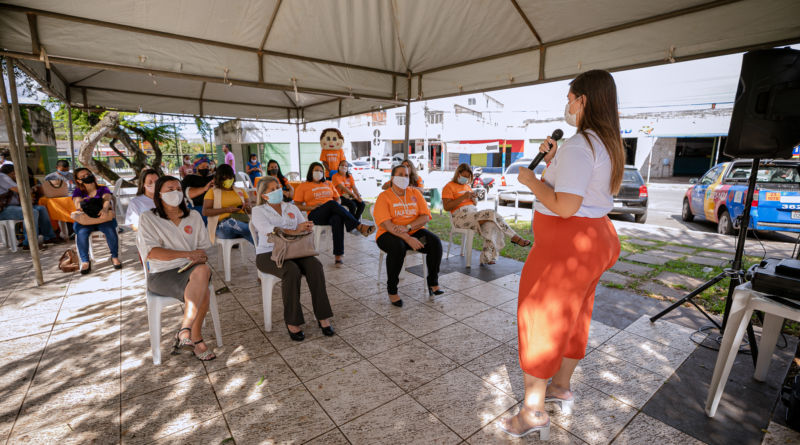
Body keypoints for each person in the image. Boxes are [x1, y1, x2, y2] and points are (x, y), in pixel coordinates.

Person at [499, 70, 623, 439]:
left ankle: (533, 411)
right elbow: (578, 190)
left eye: (570, 97)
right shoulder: (604, 142)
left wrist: (531, 180)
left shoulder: (581, 144)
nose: (567, 105)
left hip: (566, 247)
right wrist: (553, 161)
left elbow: (566, 205)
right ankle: (560, 386)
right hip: (592, 241)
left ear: (583, 99)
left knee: (540, 318)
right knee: (573, 316)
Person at [137, 176, 216, 361]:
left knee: (203, 270)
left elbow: (202, 248)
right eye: (170, 189)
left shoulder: (194, 216)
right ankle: (194, 337)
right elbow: (152, 253)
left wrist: (199, 256)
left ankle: (185, 331)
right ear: (159, 194)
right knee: (203, 288)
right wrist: (186, 254)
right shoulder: (148, 218)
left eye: (179, 189)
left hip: (192, 269)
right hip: (162, 274)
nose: (176, 193)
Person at [252, 176, 334, 341]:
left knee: (315, 266)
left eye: (278, 187)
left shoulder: (290, 207)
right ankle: (293, 321)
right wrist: (295, 230)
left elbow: (303, 226)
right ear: (264, 195)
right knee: (291, 271)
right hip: (269, 253)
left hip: (296, 249)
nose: (278, 190)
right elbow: (271, 231)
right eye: (272, 189)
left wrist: (306, 227)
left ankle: (323, 316)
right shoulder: (258, 211)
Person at [373, 164, 443, 307]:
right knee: (398, 248)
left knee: (435, 242)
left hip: (412, 231)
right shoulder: (384, 196)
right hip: (387, 235)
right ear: (392, 178)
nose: (404, 178)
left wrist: (408, 228)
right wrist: (407, 238)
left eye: (406, 175)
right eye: (400, 174)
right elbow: (386, 224)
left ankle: (433, 283)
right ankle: (392, 290)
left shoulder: (415, 193)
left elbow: (425, 217)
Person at [443, 163, 531, 265]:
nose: (466, 179)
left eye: (468, 177)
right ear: (458, 174)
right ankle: (514, 237)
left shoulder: (467, 186)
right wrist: (463, 197)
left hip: (473, 213)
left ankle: (486, 257)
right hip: (460, 217)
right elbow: (447, 207)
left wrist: (473, 198)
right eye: (464, 176)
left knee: (491, 225)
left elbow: (474, 204)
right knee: (491, 213)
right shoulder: (449, 187)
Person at [293, 162, 374, 266]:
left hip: (330, 211)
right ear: (310, 172)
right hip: (316, 213)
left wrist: (336, 206)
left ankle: (338, 256)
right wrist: (311, 207)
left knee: (337, 218)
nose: (319, 173)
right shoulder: (303, 186)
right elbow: (297, 205)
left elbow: (338, 199)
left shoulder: (328, 183)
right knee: (331, 203)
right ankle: (357, 226)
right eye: (316, 170)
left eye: (321, 171)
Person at [72, 167, 122, 273]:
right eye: (83, 176)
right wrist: (97, 202)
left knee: (110, 230)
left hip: (103, 218)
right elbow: (78, 204)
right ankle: (85, 261)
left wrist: (103, 208)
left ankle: (114, 256)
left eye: (88, 174)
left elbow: (107, 198)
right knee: (82, 233)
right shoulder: (78, 191)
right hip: (86, 221)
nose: (87, 177)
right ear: (78, 180)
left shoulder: (103, 188)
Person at [0, 164, 61, 249]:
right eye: (15, 173)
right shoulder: (2, 176)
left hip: (13, 207)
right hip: (4, 209)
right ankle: (29, 243)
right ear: (12, 173)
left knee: (41, 208)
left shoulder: (8, 179)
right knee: (31, 212)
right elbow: (19, 189)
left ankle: (49, 237)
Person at [202, 163, 253, 245]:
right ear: (219, 179)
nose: (228, 180)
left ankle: (263, 251)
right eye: (225, 178)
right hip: (222, 226)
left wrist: (247, 206)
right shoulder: (212, 192)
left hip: (242, 221)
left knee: (251, 227)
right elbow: (205, 211)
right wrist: (226, 210)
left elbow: (249, 211)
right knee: (246, 227)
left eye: (230, 177)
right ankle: (263, 249)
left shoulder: (240, 191)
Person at [182, 156, 215, 223]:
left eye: (207, 167)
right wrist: (204, 188)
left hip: (214, 208)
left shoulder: (213, 177)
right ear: (196, 167)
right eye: (202, 167)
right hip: (197, 209)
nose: (205, 169)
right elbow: (188, 194)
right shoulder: (189, 178)